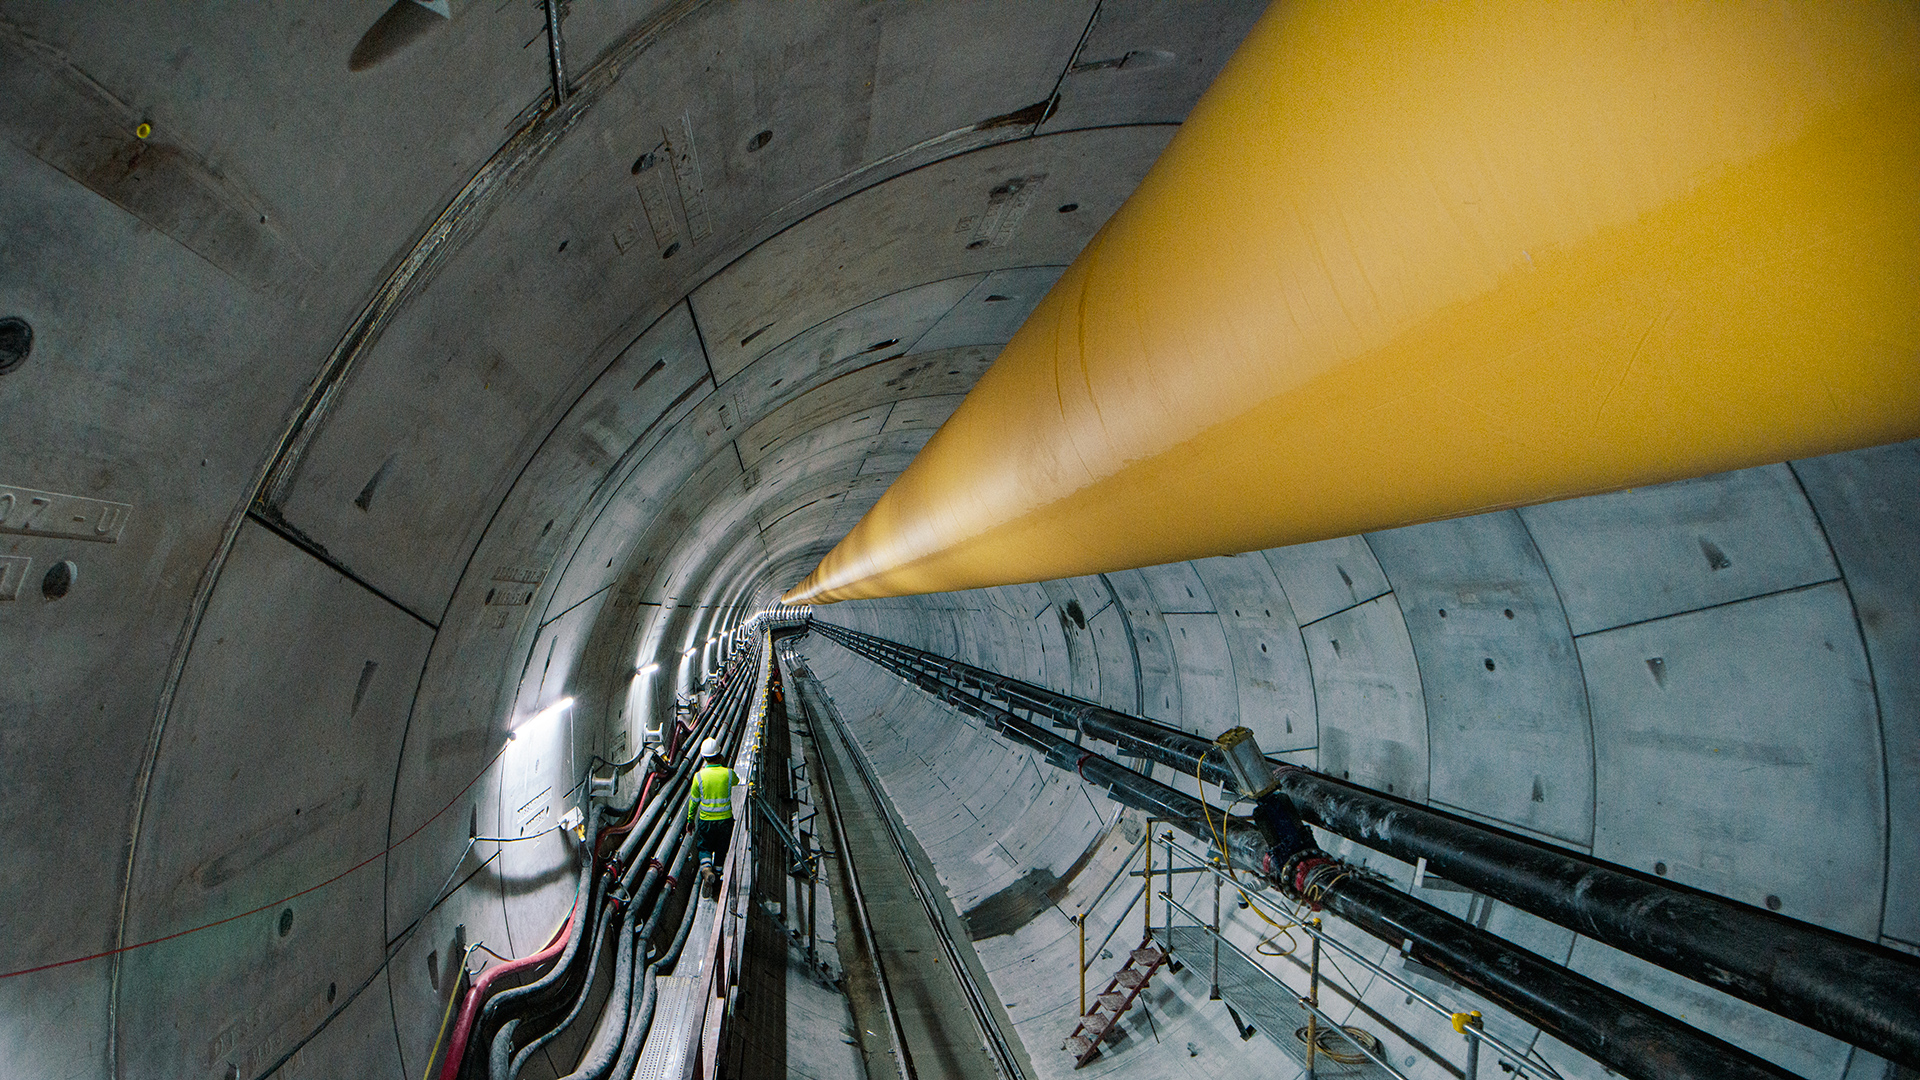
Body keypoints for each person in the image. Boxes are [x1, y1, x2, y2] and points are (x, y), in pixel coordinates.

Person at [687, 737, 740, 896]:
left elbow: (694, 802)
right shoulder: (728, 774)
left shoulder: (699, 777)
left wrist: (690, 820)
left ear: (703, 757)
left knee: (704, 847)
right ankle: (716, 876)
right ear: (719, 754)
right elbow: (736, 781)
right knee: (721, 849)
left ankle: (705, 868)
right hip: (725, 821)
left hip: (706, 821)